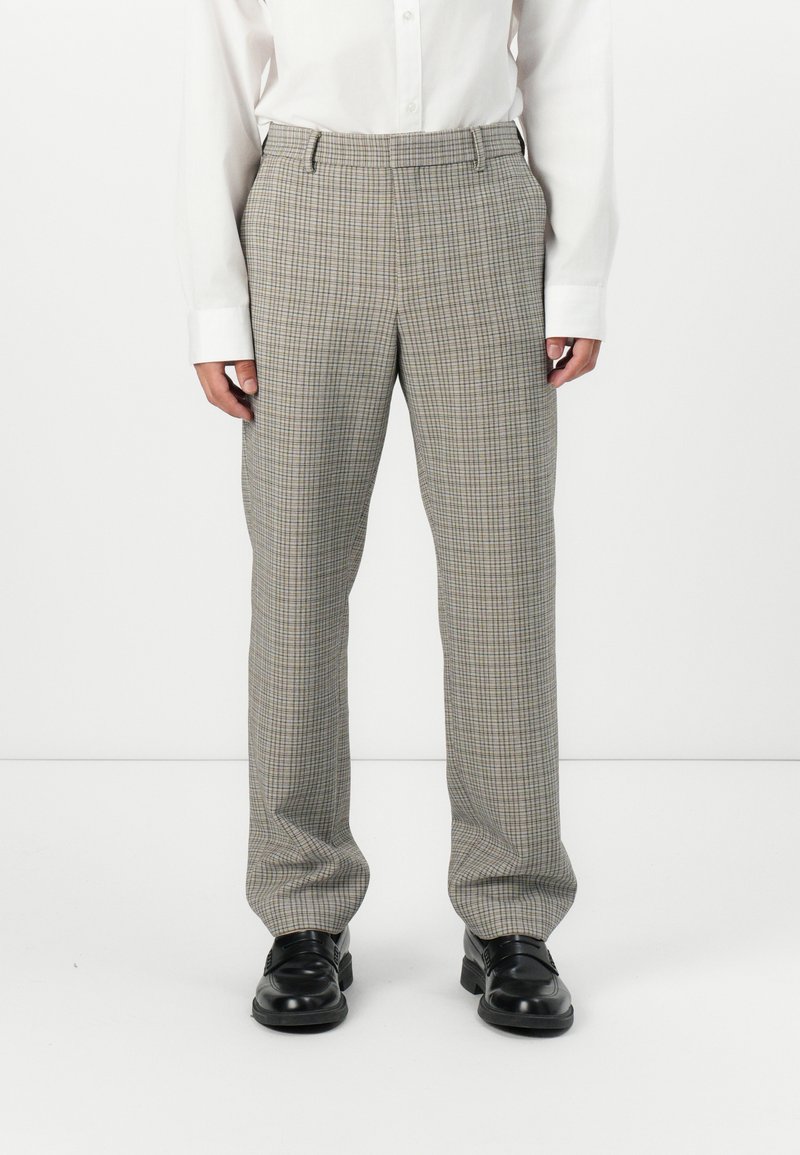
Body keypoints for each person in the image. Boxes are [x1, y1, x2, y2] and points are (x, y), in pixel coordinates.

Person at [176, 0, 617, 1034]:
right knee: (297, 574)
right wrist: (214, 302)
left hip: (480, 203)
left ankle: (511, 912)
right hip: (306, 202)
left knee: (502, 575)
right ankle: (302, 910)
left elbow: (564, 45)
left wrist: (579, 276)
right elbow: (219, 73)